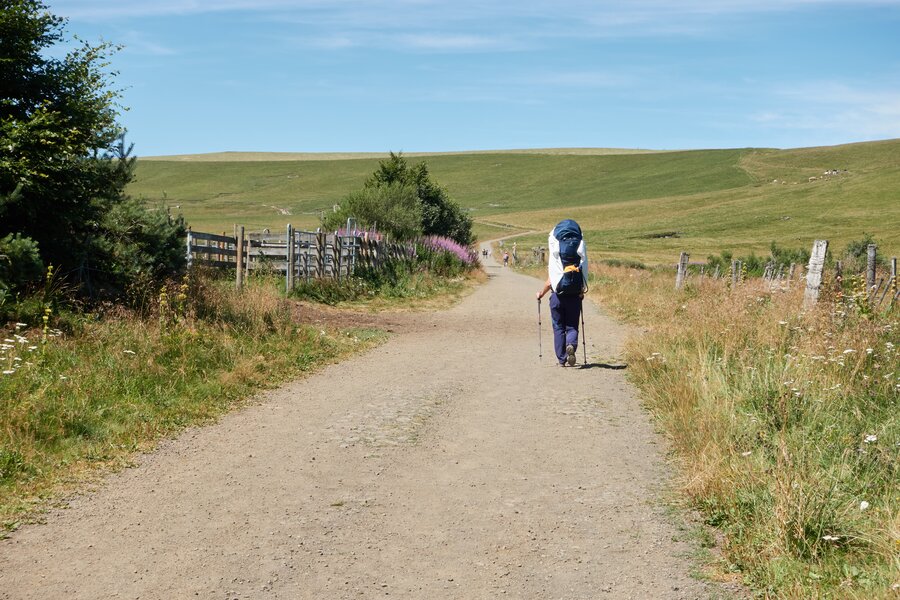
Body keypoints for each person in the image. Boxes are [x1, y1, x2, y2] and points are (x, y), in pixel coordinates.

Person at [536, 219, 588, 367]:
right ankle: (571, 344)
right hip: (574, 296)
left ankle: (562, 359)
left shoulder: (556, 254)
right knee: (572, 326)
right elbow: (584, 271)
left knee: (558, 327)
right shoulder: (578, 251)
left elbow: (550, 281)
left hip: (557, 297)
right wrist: (581, 290)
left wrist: (541, 294)